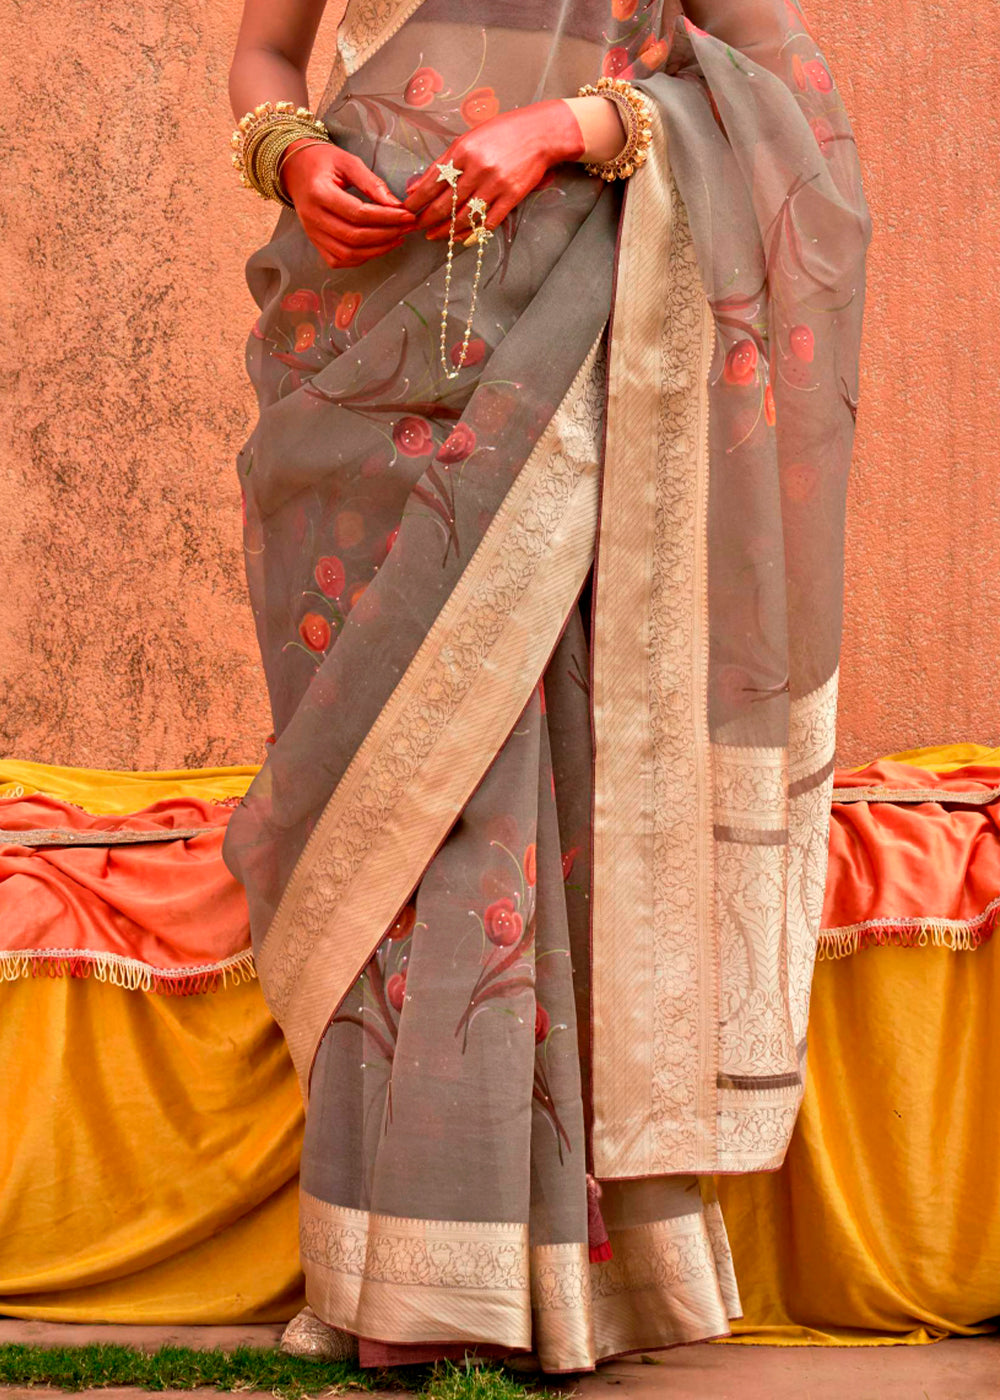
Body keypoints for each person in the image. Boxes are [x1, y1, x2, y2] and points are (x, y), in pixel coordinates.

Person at [223, 0, 871, 1372]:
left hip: (569, 355)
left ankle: (540, 1287)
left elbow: (794, 105)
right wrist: (286, 150)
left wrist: (571, 127)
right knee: (387, 805)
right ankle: (390, 1264)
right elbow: (269, 50)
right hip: (358, 369)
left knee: (527, 780)